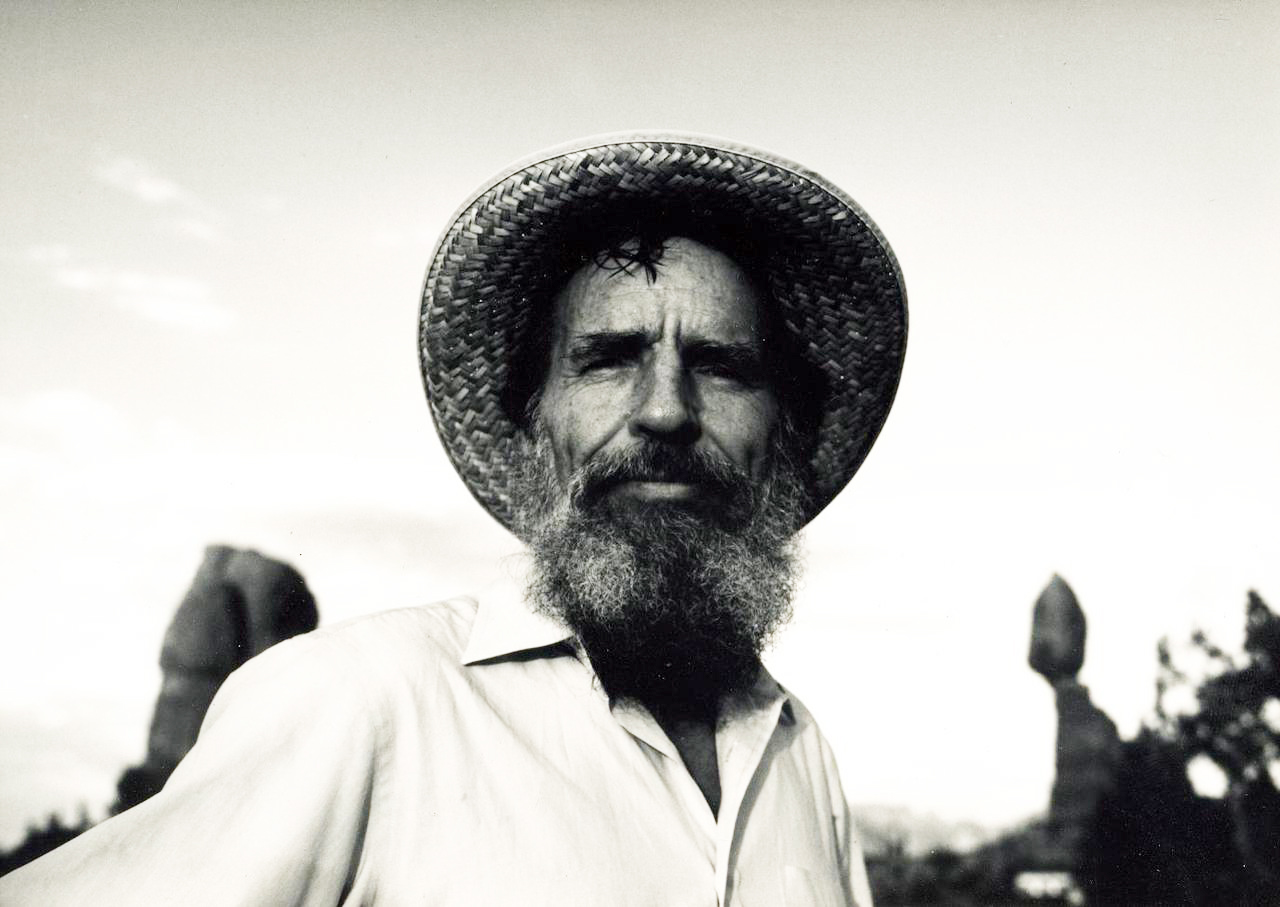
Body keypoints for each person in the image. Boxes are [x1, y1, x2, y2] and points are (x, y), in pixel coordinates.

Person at [0, 132, 907, 905]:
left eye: (721, 365)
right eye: (608, 358)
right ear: (534, 424)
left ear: (781, 438)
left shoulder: (800, 753)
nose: (666, 409)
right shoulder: (365, 701)